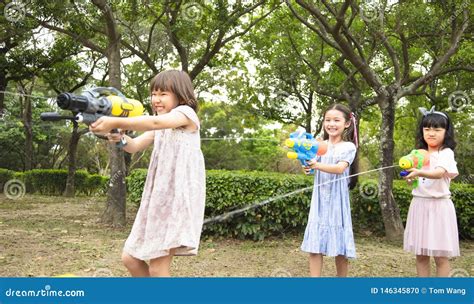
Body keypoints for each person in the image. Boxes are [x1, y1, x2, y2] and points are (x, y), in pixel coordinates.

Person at [90, 70, 205, 277]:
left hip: (176, 200)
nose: (156, 99)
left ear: (181, 95)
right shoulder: (161, 124)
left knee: (158, 267)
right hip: (156, 201)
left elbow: (154, 122)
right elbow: (134, 146)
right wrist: (119, 138)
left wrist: (115, 121)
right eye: (153, 94)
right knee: (130, 259)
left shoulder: (186, 114)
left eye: (163, 94)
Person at [302, 103, 358, 277]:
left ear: (347, 123)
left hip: (337, 201)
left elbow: (340, 168)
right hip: (319, 199)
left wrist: (317, 164)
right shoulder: (319, 145)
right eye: (327, 120)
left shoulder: (348, 147)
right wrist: (308, 166)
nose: (331, 124)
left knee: (340, 249)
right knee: (314, 246)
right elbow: (312, 168)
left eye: (336, 120)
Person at [403, 106, 459, 277]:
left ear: (446, 132)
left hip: (439, 208)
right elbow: (416, 180)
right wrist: (410, 177)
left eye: (437, 129)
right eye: (426, 129)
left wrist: (419, 172)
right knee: (421, 256)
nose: (431, 133)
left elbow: (439, 173)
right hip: (419, 206)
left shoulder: (446, 153)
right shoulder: (418, 154)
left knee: (441, 257)